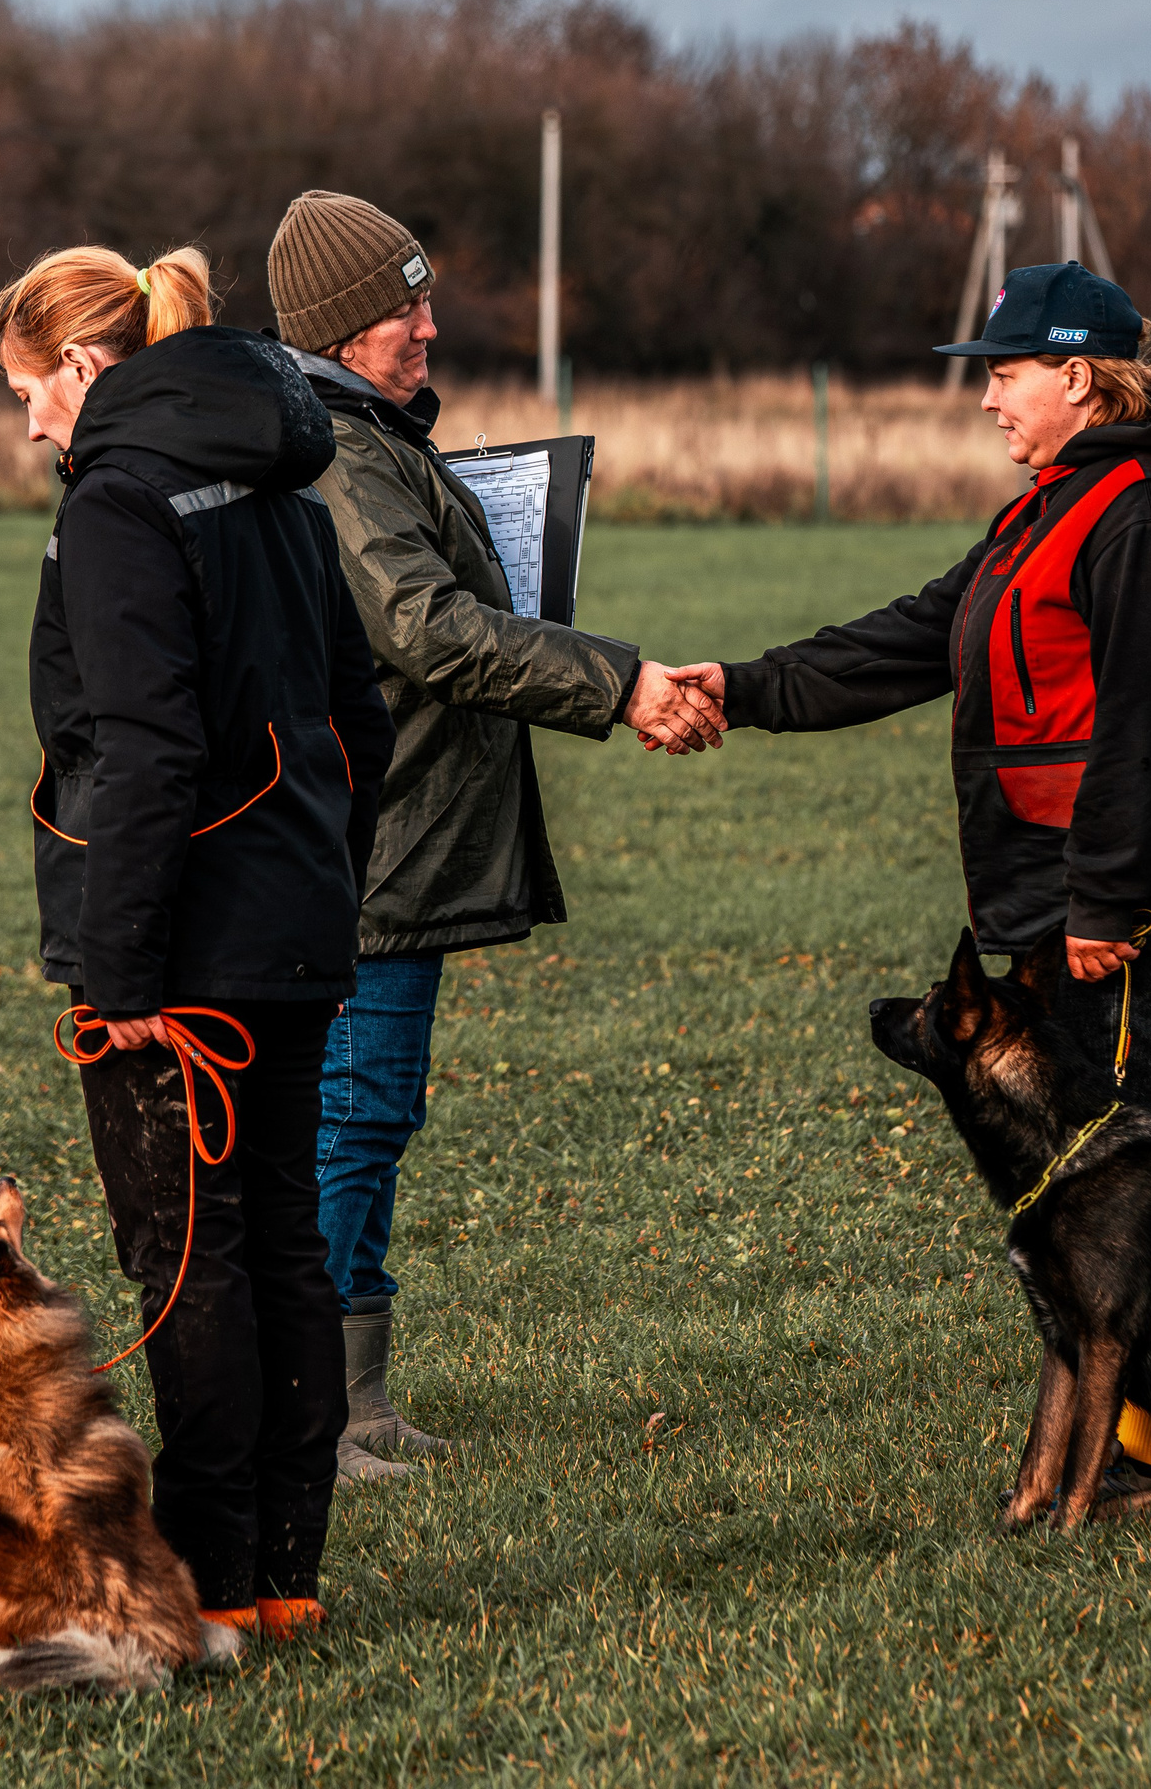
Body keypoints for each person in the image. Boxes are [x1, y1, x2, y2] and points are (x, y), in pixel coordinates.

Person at [669, 260, 1151, 1503]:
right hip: (1047, 914)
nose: (987, 398)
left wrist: (1104, 903)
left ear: (1078, 375)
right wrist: (747, 685)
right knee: (1082, 1195)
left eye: (1004, 372)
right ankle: (1133, 1450)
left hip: (1108, 921)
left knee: (1122, 1191)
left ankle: (1149, 1457)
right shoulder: (1052, 505)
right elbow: (912, 637)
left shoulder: (1144, 510)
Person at [264, 190, 725, 1486]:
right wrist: (621, 680)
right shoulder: (342, 454)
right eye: (403, 304)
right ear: (344, 328)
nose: (428, 322)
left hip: (398, 836)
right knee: (351, 1117)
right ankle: (323, 1408)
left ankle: (360, 1398)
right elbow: (422, 626)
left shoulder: (364, 435)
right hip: (372, 842)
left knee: (370, 1113)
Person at [0, 242, 396, 1643]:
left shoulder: (120, 498)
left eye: (28, 389)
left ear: (88, 369)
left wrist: (121, 977)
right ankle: (285, 1569)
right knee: (285, 1240)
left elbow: (146, 751)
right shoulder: (281, 484)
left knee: (189, 1255)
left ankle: (214, 1576)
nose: (28, 421)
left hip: (185, 952)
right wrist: (319, 868)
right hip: (291, 921)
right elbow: (366, 712)